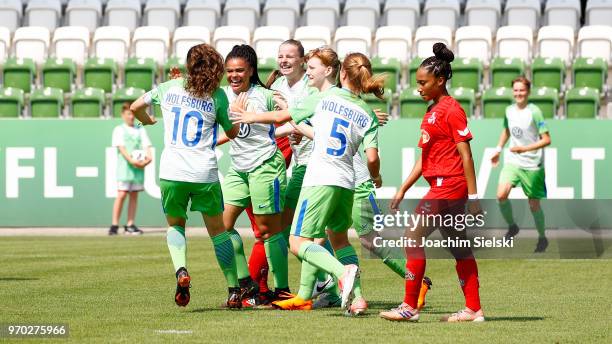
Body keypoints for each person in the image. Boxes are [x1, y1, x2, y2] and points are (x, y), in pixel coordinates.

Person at [231, 48, 383, 315]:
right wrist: (376, 175)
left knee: (297, 241)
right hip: (347, 181)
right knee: (339, 239)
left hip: (320, 178)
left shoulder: (325, 97)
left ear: (340, 73)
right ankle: (357, 299)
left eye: (312, 68)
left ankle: (340, 272)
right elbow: (372, 158)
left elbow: (282, 118)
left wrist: (250, 117)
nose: (309, 72)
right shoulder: (365, 112)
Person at [130, 43, 242, 308]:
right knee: (218, 233)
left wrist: (148, 121)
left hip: (172, 172)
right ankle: (234, 290)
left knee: (176, 225)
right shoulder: (217, 96)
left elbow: (135, 107)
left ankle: (181, 270)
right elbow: (233, 132)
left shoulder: (169, 87)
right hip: (204, 171)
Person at [379, 43, 485, 322]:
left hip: (450, 185)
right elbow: (424, 158)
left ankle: (409, 307)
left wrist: (474, 198)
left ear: (440, 80)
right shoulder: (431, 112)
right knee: (458, 246)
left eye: (424, 82)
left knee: (412, 237)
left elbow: (467, 156)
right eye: (417, 83)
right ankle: (474, 309)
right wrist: (403, 188)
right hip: (441, 184)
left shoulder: (451, 110)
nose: (419, 87)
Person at [221, 44, 290, 303]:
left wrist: (253, 116)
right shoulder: (222, 95)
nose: (234, 75)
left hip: (265, 166)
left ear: (251, 70)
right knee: (222, 226)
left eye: (239, 70)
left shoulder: (266, 95)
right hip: (238, 169)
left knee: (267, 231)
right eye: (229, 71)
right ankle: (246, 282)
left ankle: (281, 288)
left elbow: (291, 114)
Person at [491, 76, 551, 253]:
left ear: (528, 92)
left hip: (533, 165)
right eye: (516, 90)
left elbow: (547, 139)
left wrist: (525, 148)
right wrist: (498, 149)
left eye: (522, 90)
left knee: (534, 205)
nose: (518, 93)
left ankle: (542, 238)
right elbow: (507, 130)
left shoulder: (535, 111)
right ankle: (512, 226)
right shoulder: (509, 110)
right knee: (501, 195)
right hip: (513, 161)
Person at [109, 102, 152, 235]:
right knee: (121, 194)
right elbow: (121, 148)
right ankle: (114, 224)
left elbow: (147, 146)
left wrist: (148, 159)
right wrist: (132, 161)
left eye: (133, 114)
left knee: (134, 195)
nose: (131, 117)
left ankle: (130, 224)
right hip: (125, 168)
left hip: (138, 168)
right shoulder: (119, 130)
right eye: (128, 114)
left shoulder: (140, 129)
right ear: (123, 115)